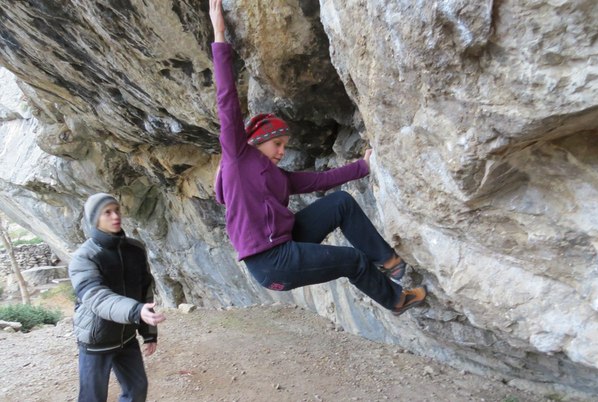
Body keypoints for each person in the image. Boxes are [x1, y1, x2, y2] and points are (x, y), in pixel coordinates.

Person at [209, 0, 427, 315]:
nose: (283, 152)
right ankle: (396, 299)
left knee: (340, 202)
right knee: (352, 261)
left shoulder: (277, 177)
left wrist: (364, 166)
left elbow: (321, 180)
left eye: (285, 146)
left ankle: (390, 262)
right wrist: (219, 36)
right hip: (271, 263)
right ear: (259, 141)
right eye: (278, 145)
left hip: (284, 243)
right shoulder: (237, 158)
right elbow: (226, 99)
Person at [68, 193, 166, 402]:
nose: (115, 216)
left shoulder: (136, 249)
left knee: (137, 390)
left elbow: (144, 290)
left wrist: (148, 333)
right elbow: (97, 298)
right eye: (107, 212)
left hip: (127, 337)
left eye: (117, 210)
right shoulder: (83, 257)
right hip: (97, 339)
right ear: (95, 218)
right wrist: (135, 311)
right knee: (92, 398)